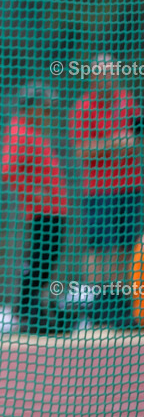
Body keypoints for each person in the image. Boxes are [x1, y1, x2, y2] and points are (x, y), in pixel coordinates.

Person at [68, 54, 144, 328]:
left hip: (130, 187)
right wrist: (114, 144)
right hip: (99, 191)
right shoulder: (83, 108)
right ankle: (97, 307)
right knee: (99, 248)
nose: (108, 78)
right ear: (92, 77)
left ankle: (120, 304)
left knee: (125, 245)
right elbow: (82, 150)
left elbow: (136, 138)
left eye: (112, 73)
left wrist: (127, 143)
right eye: (102, 73)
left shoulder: (128, 102)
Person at [0, 82, 72, 334]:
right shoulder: (21, 130)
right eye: (45, 107)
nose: (48, 113)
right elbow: (7, 170)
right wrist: (34, 192)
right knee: (40, 261)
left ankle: (31, 310)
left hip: (53, 209)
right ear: (33, 106)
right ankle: (27, 312)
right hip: (43, 210)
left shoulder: (34, 131)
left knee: (45, 261)